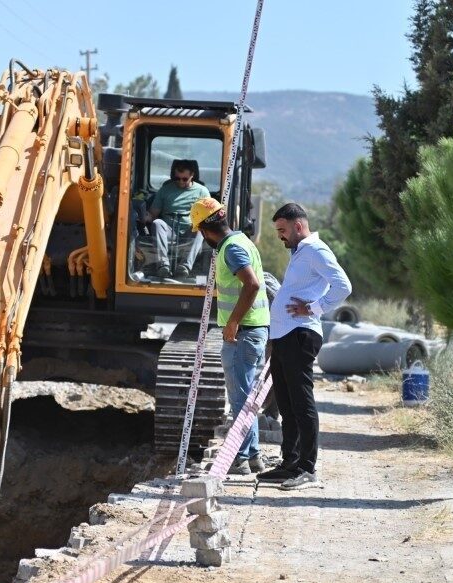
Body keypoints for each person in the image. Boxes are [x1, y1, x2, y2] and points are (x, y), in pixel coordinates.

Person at [256, 202, 352, 491]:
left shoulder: (315, 250)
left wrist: (314, 308)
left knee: (302, 403)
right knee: (286, 404)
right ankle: (290, 463)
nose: (280, 236)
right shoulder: (300, 252)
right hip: (285, 335)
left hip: (301, 335)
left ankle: (307, 469)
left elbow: (343, 285)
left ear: (298, 226)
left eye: (282, 230)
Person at [190, 197, 271, 475]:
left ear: (203, 230)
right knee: (245, 395)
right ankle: (254, 456)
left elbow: (252, 284)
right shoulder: (243, 241)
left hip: (243, 332)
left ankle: (242, 458)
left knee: (239, 397)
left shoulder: (232, 248)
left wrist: (233, 322)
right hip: (253, 329)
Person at [143, 160, 210, 279]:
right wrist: (144, 217)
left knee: (201, 227)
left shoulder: (202, 192)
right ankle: (163, 266)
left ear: (192, 175)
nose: (180, 182)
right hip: (169, 230)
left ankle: (184, 267)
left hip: (190, 231)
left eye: (184, 179)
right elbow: (153, 213)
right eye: (177, 178)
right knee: (158, 223)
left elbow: (209, 215)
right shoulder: (165, 190)